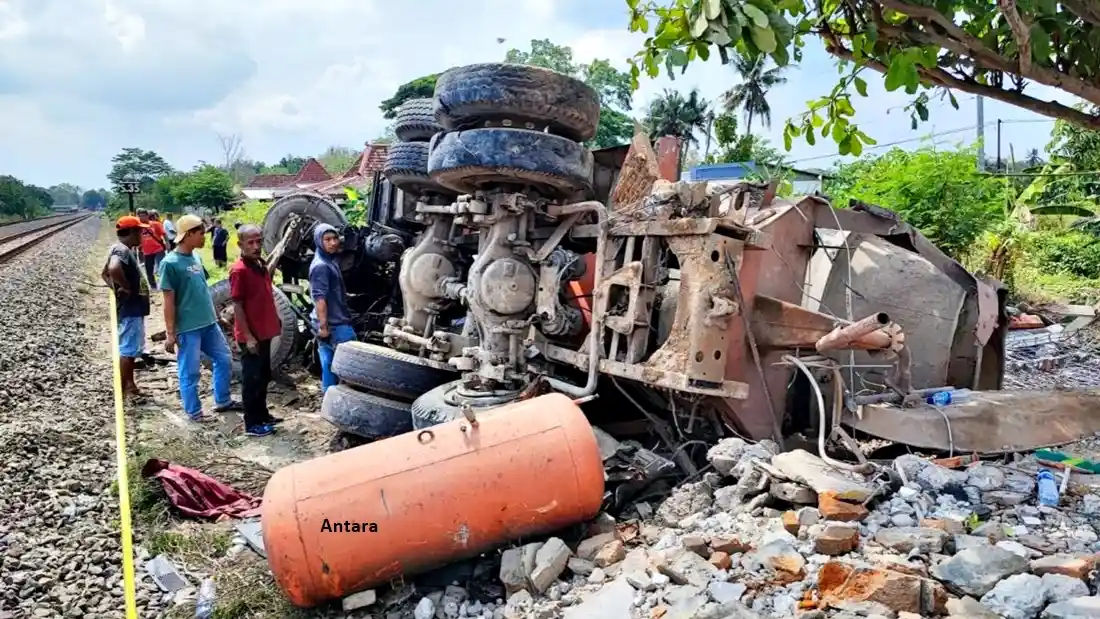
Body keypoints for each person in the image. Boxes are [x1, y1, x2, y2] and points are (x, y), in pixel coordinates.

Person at [158, 214, 242, 422]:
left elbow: (202, 290)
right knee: (190, 371)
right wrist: (170, 333)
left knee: (224, 359)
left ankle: (223, 400)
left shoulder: (195, 257)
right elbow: (168, 301)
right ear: (188, 235)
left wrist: (216, 317)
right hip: (188, 328)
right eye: (201, 233)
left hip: (208, 324)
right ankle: (194, 412)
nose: (205, 237)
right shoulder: (170, 263)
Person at [228, 224, 284, 436]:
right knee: (251, 380)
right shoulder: (239, 271)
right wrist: (248, 336)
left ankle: (262, 415)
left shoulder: (259, 265)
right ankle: (252, 423)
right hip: (251, 336)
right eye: (250, 242)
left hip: (264, 332)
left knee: (263, 375)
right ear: (240, 244)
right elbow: (238, 305)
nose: (256, 246)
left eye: (259, 241)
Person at [102, 215, 152, 399]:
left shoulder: (119, 248)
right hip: (131, 309)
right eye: (140, 231)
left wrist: (116, 288)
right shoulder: (121, 250)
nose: (142, 235)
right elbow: (113, 269)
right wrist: (125, 287)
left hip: (131, 308)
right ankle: (127, 388)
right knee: (128, 350)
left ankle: (129, 385)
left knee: (130, 348)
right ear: (131, 232)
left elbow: (104, 274)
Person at [309, 224, 355, 392]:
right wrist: (323, 327)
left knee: (328, 363)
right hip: (334, 325)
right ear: (318, 241)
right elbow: (319, 298)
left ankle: (329, 396)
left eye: (335, 238)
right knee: (352, 363)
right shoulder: (321, 266)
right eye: (327, 239)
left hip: (330, 322)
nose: (333, 243)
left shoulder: (328, 260)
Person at [137, 209, 168, 289]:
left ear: (147, 216)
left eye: (143, 215)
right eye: (140, 216)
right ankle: (153, 286)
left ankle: (164, 284)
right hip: (146, 251)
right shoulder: (138, 227)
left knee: (162, 267)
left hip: (158, 249)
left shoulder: (155, 224)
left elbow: (164, 234)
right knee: (149, 270)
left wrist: (167, 244)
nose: (142, 218)